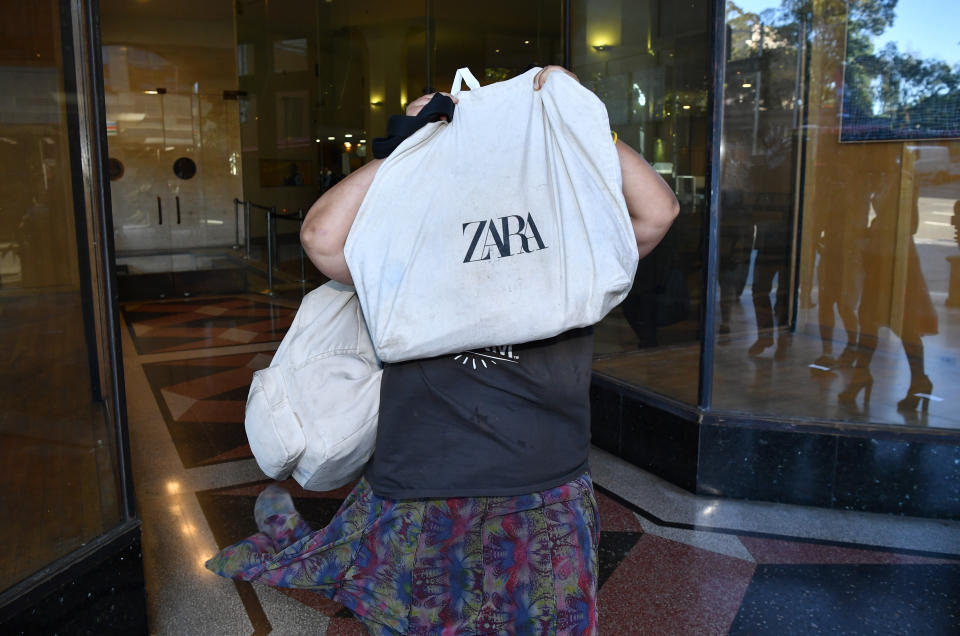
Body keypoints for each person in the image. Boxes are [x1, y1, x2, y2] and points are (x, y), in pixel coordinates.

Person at [206, 66, 679, 635]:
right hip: (431, 479)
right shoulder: (412, 244)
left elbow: (658, 211)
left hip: (535, 485)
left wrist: (576, 116)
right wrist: (407, 144)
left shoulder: (568, 243)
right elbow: (321, 238)